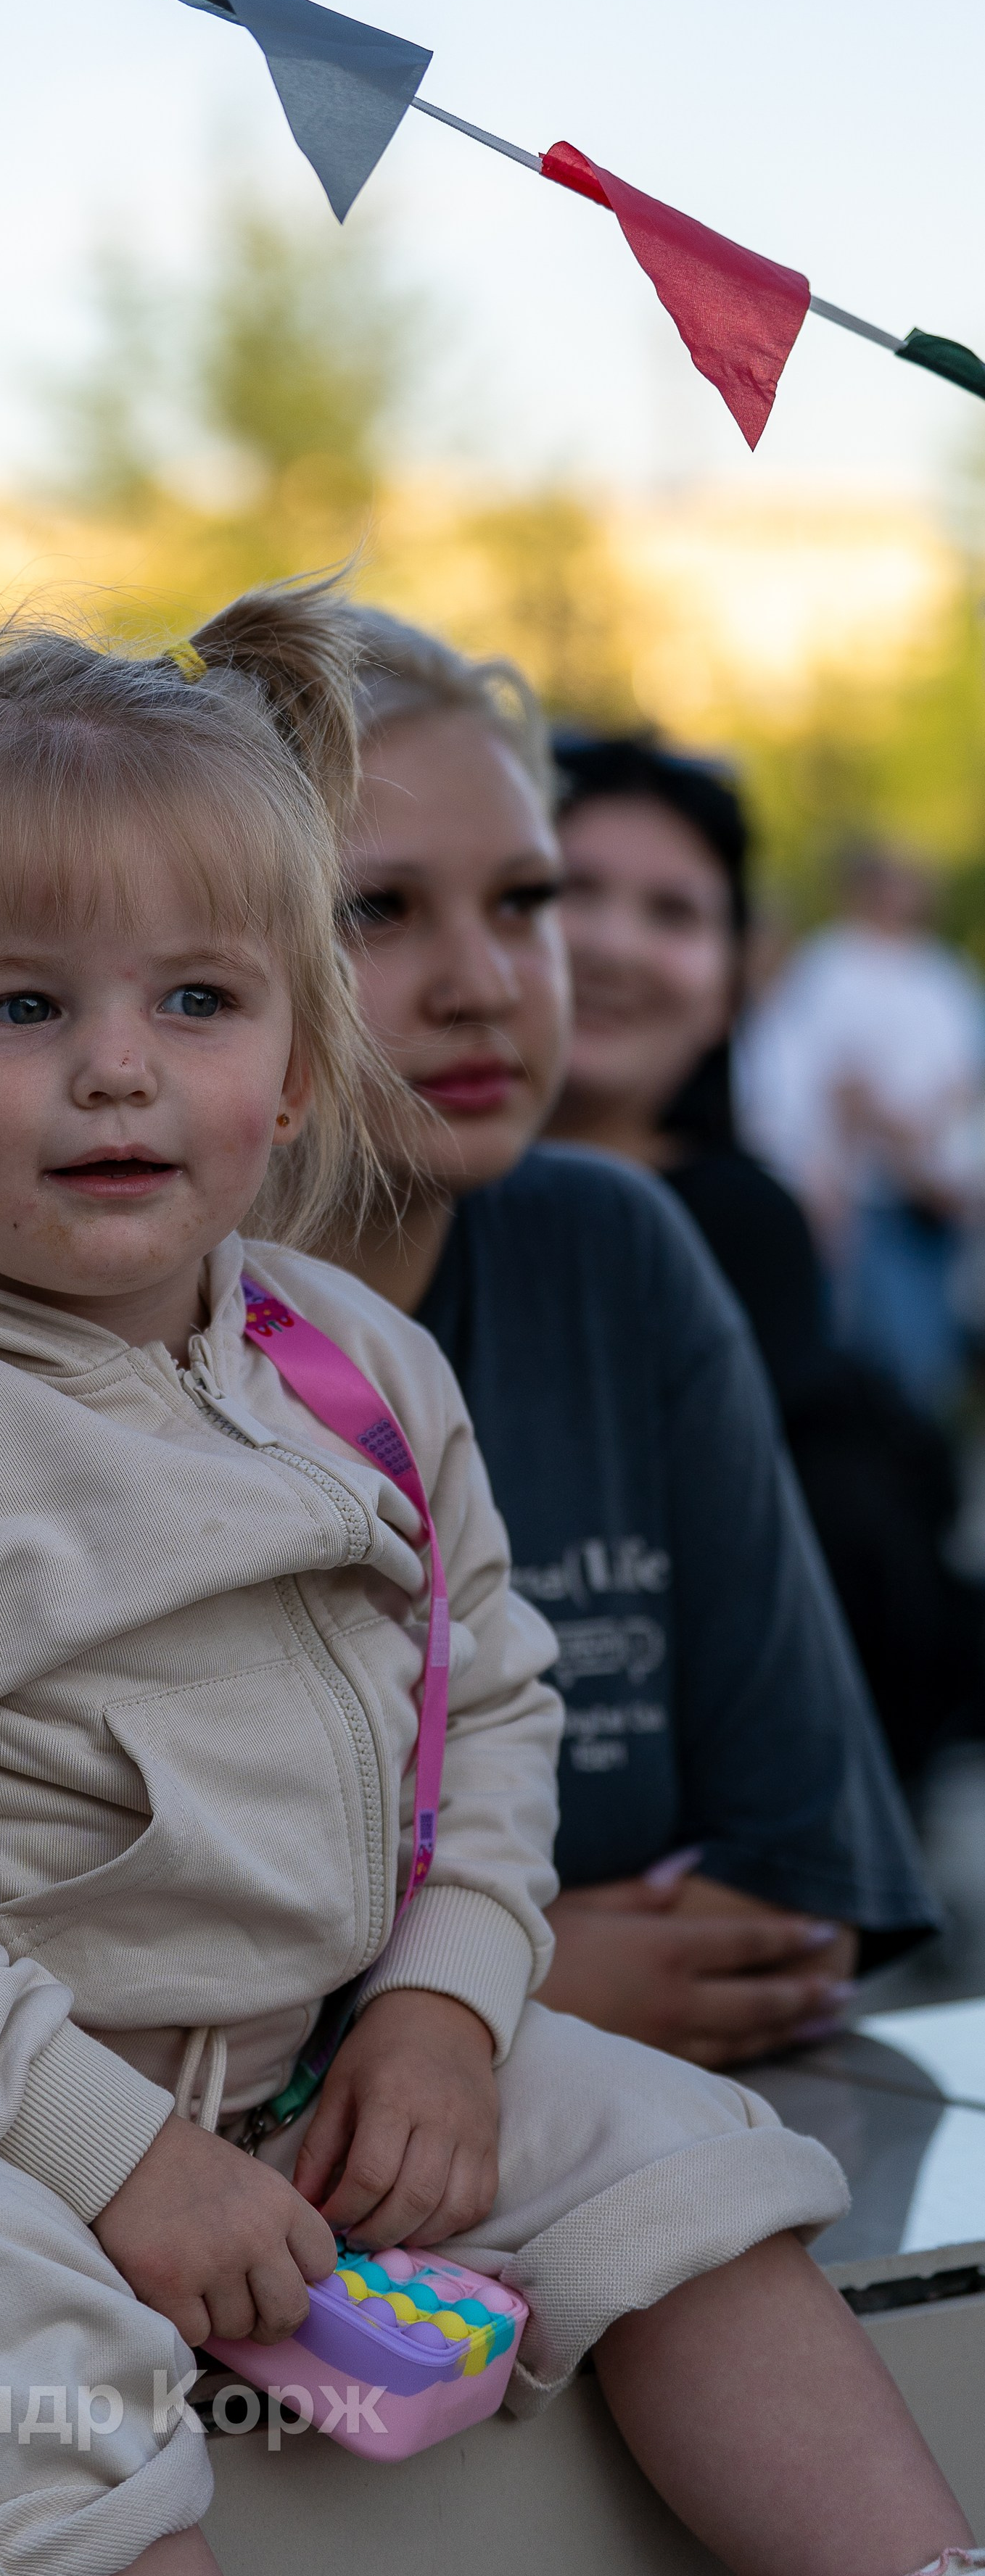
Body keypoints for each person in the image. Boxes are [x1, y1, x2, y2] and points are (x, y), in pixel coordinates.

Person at [0, 587, 970, 2576]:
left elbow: (486, 1710)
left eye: (196, 1004)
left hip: (303, 2057)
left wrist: (442, 2001)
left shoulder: (348, 1368)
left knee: (677, 2165)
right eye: (20, 1010)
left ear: (301, 1060)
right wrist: (112, 2157)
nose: (118, 1076)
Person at [334, 610, 936, 2076]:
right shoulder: (83, 1331)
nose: (485, 978)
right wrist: (507, 1982)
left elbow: (809, 1895)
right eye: (379, 909)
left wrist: (440, 1985)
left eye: (522, 897)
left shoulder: (615, 1244)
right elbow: (31, 1994)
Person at [546, 733, 983, 1784]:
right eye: (566, 891)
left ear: (731, 977)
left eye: (673, 913)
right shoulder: (352, 1196)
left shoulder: (740, 1226)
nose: (611, 945)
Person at [741, 844, 985, 1417]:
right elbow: (828, 1077)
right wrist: (904, 1153)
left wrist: (941, 1148)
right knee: (886, 1351)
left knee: (933, 1353)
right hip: (869, 1194)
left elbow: (964, 1072)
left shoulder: (939, 971)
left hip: (945, 1192)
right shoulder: (831, 966)